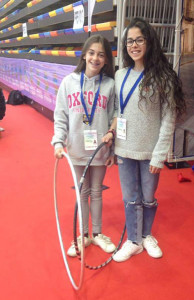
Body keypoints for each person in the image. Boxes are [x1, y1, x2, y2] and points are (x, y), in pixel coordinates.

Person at [112, 18, 186, 262]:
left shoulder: (163, 77)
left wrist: (159, 153)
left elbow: (168, 119)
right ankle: (133, 240)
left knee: (148, 197)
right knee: (129, 197)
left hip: (149, 152)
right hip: (124, 149)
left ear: (149, 42)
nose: (133, 45)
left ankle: (146, 235)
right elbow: (117, 111)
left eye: (139, 40)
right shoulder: (120, 74)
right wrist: (111, 137)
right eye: (129, 41)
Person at [51, 34, 117, 257]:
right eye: (91, 53)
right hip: (77, 148)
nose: (95, 58)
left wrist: (113, 150)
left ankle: (97, 234)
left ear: (107, 59)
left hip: (99, 149)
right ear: (84, 55)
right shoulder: (68, 82)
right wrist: (58, 141)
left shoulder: (110, 85)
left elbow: (114, 118)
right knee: (83, 192)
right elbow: (60, 115)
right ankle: (84, 234)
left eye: (101, 55)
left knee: (97, 191)